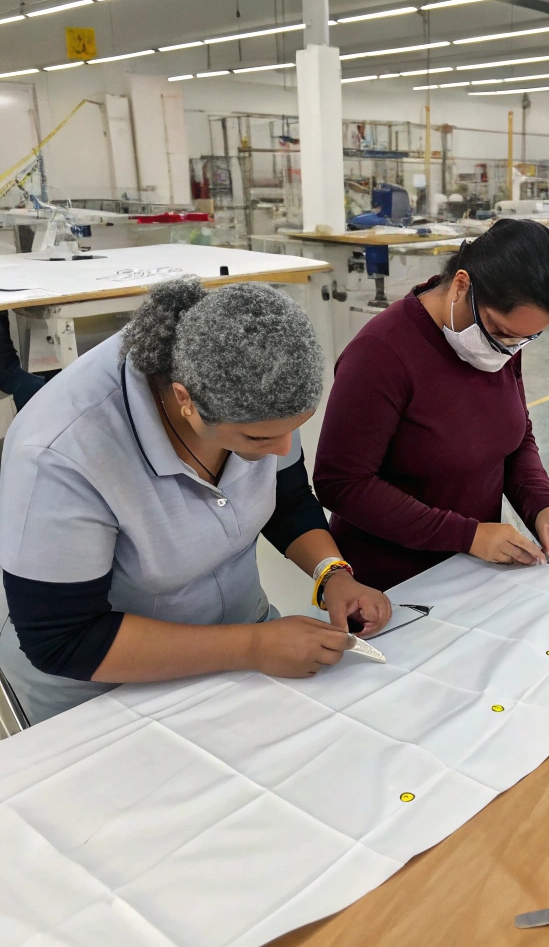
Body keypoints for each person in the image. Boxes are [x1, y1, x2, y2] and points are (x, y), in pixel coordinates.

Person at [0, 278, 392, 725]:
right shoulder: (60, 454)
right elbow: (64, 639)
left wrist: (333, 574)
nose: (284, 449)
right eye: (260, 437)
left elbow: (286, 498)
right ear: (186, 400)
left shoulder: (256, 384)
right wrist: (252, 646)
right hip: (105, 690)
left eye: (294, 428)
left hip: (242, 645)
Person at [314, 217, 549, 594]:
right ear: (462, 285)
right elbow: (341, 484)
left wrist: (542, 505)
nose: (507, 350)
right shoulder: (380, 353)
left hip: (472, 572)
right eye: (500, 333)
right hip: (391, 586)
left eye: (524, 340)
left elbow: (514, 435)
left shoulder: (499, 344)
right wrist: (468, 535)